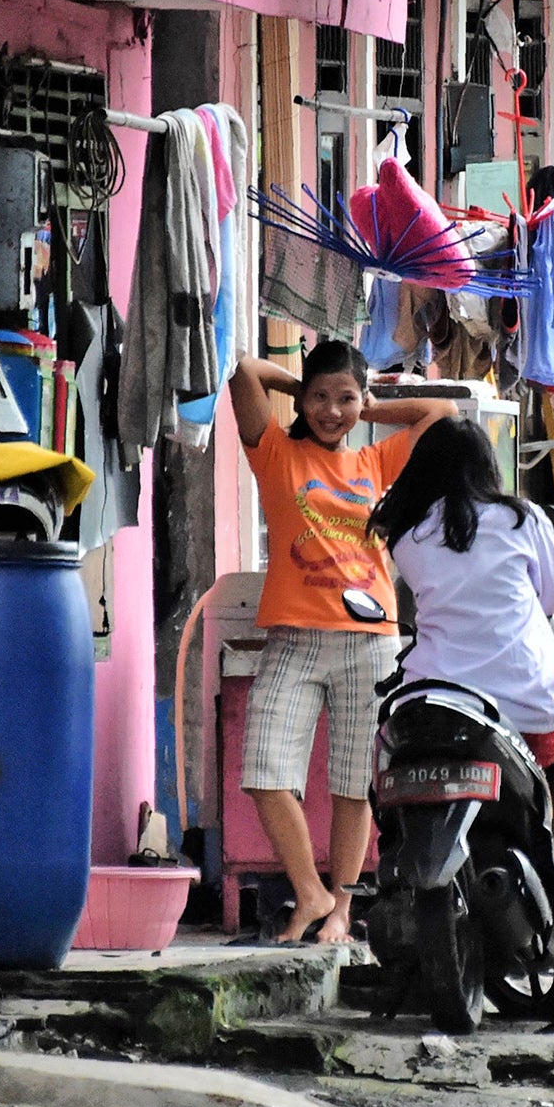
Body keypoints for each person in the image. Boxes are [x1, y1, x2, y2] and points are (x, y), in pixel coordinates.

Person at [367, 416, 554, 960]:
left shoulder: (408, 535)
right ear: (489, 467)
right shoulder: (522, 517)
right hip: (523, 698)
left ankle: (391, 873)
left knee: (387, 763)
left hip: (434, 696)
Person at [228, 343, 455, 944]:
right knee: (263, 769)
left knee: (355, 784)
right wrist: (305, 386)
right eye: (320, 397)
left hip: (371, 639)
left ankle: (339, 913)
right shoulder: (277, 453)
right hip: (295, 638)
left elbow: (442, 416)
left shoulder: (375, 462)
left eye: (344, 399)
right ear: (302, 398)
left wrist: (369, 406)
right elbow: (245, 374)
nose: (332, 411)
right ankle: (309, 890)